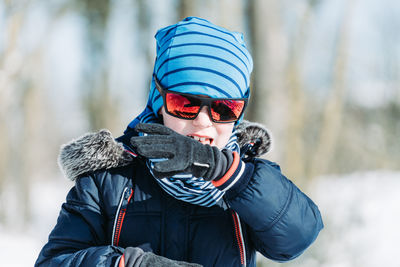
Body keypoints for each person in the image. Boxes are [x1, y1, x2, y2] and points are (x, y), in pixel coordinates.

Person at [35, 17, 323, 267]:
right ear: (160, 101)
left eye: (224, 108)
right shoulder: (109, 179)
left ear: (239, 113)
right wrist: (124, 263)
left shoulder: (248, 178)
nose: (203, 121)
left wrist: (225, 172)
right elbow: (54, 261)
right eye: (185, 103)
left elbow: (297, 238)